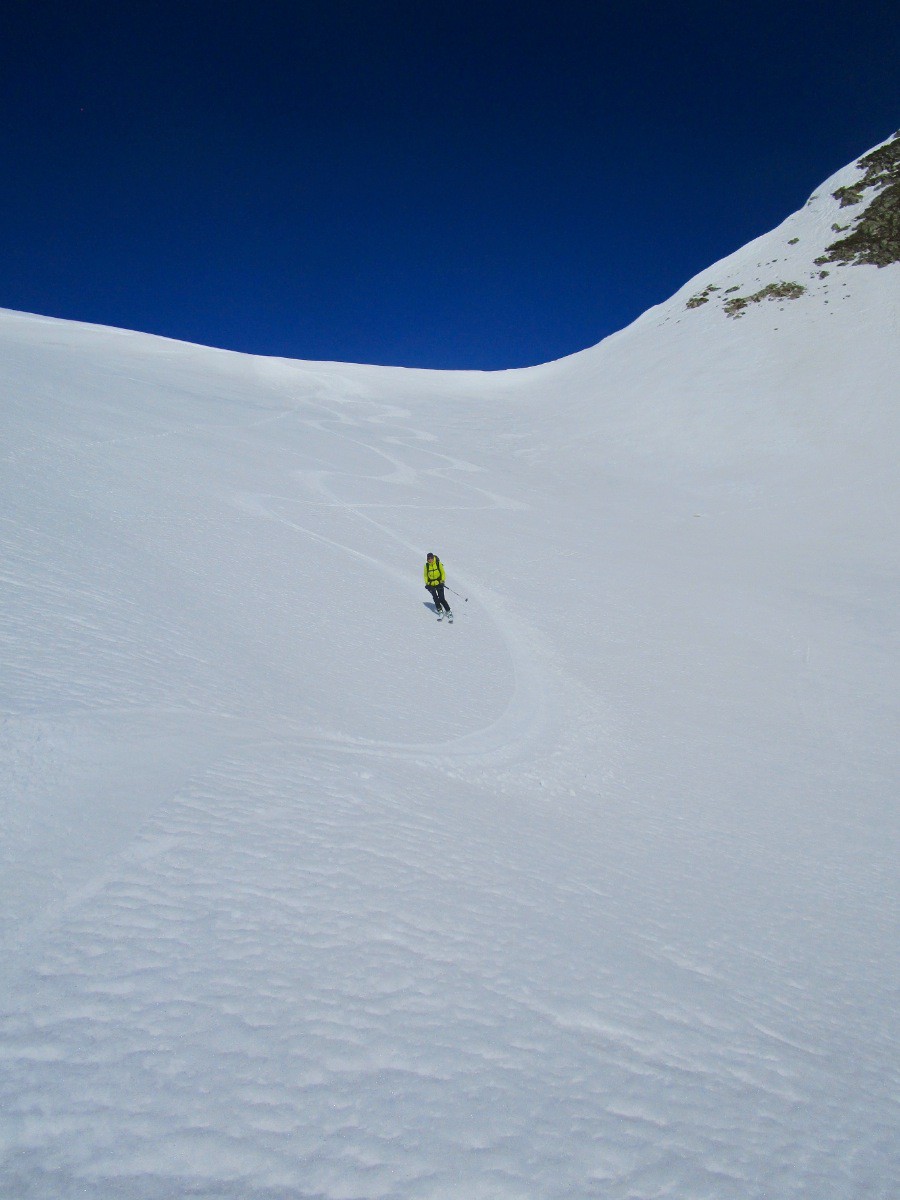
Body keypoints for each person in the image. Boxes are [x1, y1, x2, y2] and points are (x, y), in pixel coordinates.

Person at [424, 552, 452, 619]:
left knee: (441, 598)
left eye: (431, 558)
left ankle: (448, 611)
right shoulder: (426, 566)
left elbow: (442, 573)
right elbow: (425, 575)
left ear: (433, 558)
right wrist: (427, 584)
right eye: (428, 558)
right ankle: (440, 611)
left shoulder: (438, 563)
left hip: (439, 583)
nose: (430, 559)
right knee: (435, 598)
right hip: (431, 584)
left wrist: (442, 581)